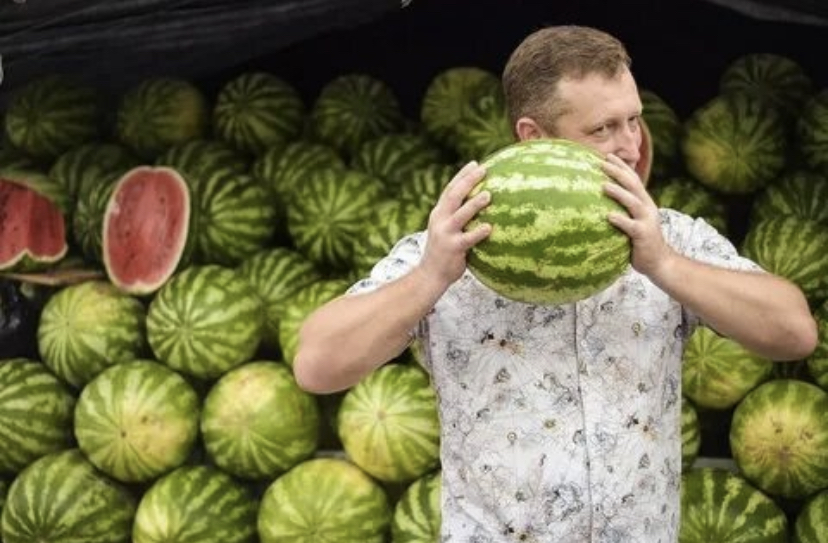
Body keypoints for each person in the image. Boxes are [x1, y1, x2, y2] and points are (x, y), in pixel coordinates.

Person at [293, 25, 817, 542]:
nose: (631, 146)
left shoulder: (670, 237)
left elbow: (794, 333)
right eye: (603, 129)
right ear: (533, 138)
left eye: (634, 120)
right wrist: (430, 276)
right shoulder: (452, 247)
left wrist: (665, 265)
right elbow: (316, 365)